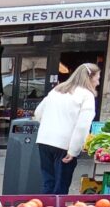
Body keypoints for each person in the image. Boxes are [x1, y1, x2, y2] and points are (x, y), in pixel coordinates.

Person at [34, 63, 99, 195]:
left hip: (44, 141)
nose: (98, 82)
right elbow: (82, 126)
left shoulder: (58, 89)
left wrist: (50, 126)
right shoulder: (87, 95)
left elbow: (38, 113)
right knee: (60, 187)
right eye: (97, 78)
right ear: (89, 77)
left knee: (48, 183)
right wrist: (74, 150)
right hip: (64, 145)